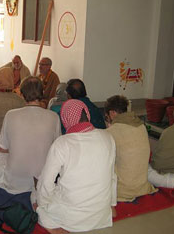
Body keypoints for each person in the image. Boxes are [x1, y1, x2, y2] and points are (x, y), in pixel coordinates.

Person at [36, 99, 117, 233]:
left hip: (71, 218)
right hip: (101, 215)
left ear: (65, 119)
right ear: (87, 115)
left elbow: (46, 182)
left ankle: (53, 225)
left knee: (37, 196)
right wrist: (112, 204)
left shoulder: (62, 143)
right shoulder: (107, 137)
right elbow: (112, 177)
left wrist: (42, 204)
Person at [0, 76, 61, 194]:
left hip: (15, 181)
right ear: (42, 93)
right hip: (43, 178)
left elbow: (3, 149)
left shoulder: (10, 115)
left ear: (21, 94)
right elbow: (57, 149)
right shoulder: (53, 116)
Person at [105, 95, 157, 202]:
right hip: (142, 186)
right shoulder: (141, 126)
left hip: (122, 190)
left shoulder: (111, 132)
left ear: (112, 113)